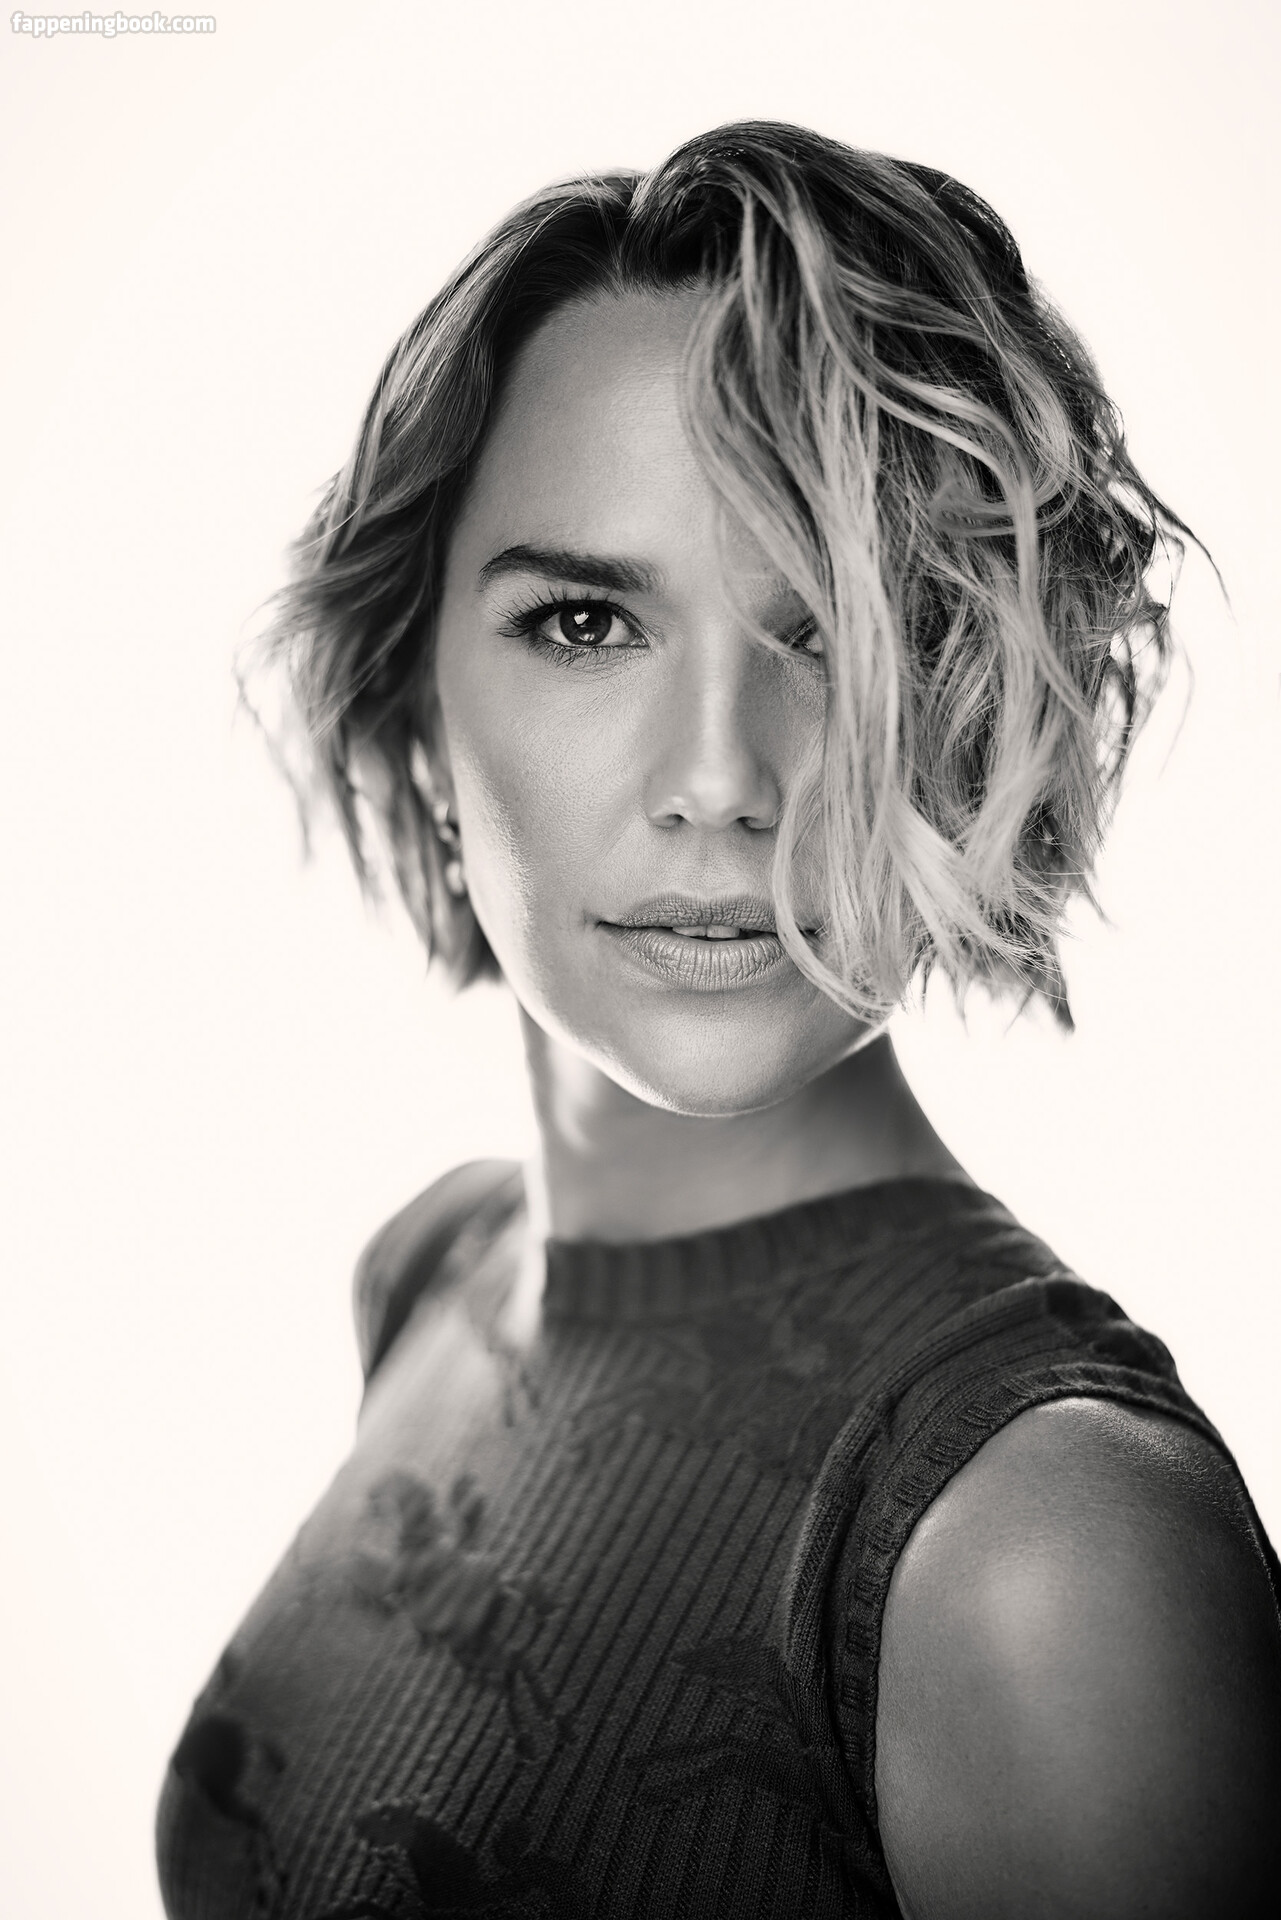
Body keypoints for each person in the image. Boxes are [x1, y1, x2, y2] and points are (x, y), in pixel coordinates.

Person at [156, 122, 1281, 1918]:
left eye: (831, 627)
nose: (718, 778)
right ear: (419, 705)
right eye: (583, 621)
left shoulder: (1040, 1539)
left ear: (978, 702)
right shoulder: (433, 1272)